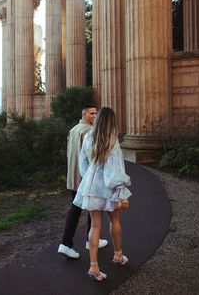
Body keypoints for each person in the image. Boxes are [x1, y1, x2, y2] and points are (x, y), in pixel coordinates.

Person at [73, 107, 132, 281]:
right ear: (111, 121)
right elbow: (115, 169)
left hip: (91, 186)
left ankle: (93, 267)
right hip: (109, 188)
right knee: (115, 221)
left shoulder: (88, 137)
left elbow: (83, 164)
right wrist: (122, 193)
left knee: (95, 226)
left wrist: (88, 179)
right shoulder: (112, 140)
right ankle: (118, 256)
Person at [58, 105, 108, 259]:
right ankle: (67, 244)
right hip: (84, 179)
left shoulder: (73, 129)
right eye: (92, 113)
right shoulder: (89, 131)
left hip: (73, 177)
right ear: (84, 115)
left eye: (96, 113)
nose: (95, 115)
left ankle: (89, 239)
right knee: (79, 210)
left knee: (82, 210)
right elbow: (93, 158)